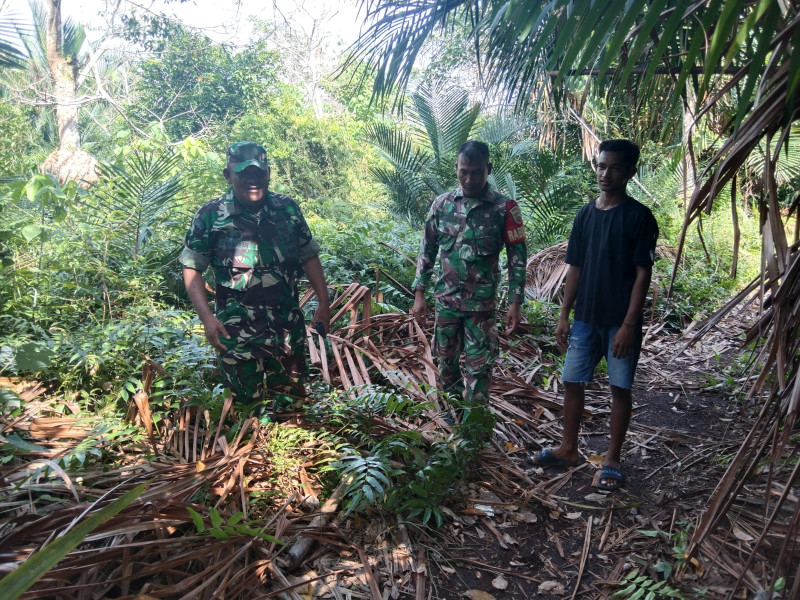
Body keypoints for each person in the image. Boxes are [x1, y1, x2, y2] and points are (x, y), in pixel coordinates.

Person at [529, 139, 658, 492]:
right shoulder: (585, 215)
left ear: (630, 172)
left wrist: (629, 326)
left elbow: (642, 275)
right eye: (601, 166)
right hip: (585, 317)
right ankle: (568, 449)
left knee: (620, 388)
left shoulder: (639, 217)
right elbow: (575, 267)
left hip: (620, 322)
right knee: (572, 380)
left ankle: (612, 459)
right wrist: (564, 314)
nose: (606, 173)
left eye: (615, 167)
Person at [181, 141, 330, 417]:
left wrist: (323, 302)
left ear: (269, 173)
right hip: (236, 336)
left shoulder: (287, 209)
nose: (253, 180)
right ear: (228, 175)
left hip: (286, 331)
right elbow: (192, 267)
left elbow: (309, 256)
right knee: (245, 415)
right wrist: (207, 319)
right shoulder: (210, 216)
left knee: (292, 412)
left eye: (259, 173)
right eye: (244, 173)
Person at [411, 141, 528, 432]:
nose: (470, 179)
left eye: (477, 172)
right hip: (447, 304)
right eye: (464, 172)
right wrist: (419, 294)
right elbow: (427, 250)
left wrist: (515, 303)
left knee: (480, 368)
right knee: (445, 362)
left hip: (482, 308)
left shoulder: (505, 208)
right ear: (456, 169)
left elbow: (518, 257)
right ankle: (451, 421)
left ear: (488, 169)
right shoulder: (441, 204)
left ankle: (474, 429)